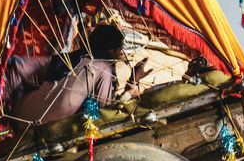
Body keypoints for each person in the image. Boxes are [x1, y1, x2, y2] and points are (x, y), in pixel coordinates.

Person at [8, 24, 144, 128]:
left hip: (18, 113)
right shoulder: (104, 67)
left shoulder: (68, 58)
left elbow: (16, 63)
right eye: (120, 49)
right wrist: (132, 84)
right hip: (38, 126)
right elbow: (105, 112)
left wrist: (25, 90)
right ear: (112, 50)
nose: (122, 54)